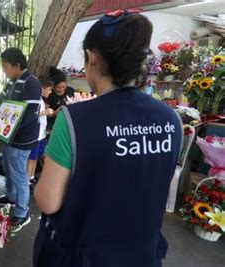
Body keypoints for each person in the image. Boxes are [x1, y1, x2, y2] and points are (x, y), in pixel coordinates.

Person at [33, 11, 182, 267]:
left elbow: (48, 201)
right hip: (142, 254)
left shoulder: (73, 120)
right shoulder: (171, 119)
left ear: (91, 58)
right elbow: (158, 183)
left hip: (83, 255)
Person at [0, 47, 42, 232]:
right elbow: (2, 103)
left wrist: (7, 128)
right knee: (8, 169)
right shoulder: (12, 83)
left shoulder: (31, 82)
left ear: (17, 65)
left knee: (19, 175)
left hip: (21, 140)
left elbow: (31, 113)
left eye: (6, 67)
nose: (4, 70)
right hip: (9, 138)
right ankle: (11, 197)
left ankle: (22, 213)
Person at [27, 76, 54, 186]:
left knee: (36, 156)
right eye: (49, 89)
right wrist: (45, 112)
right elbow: (30, 115)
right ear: (42, 88)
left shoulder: (41, 100)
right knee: (31, 158)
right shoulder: (36, 100)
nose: (50, 92)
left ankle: (32, 176)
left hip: (41, 134)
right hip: (35, 135)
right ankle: (27, 179)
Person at [45, 67, 74, 131]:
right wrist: (55, 113)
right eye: (58, 87)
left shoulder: (70, 90)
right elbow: (45, 114)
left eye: (64, 86)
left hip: (68, 122)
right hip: (53, 124)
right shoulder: (49, 94)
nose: (62, 89)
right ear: (53, 86)